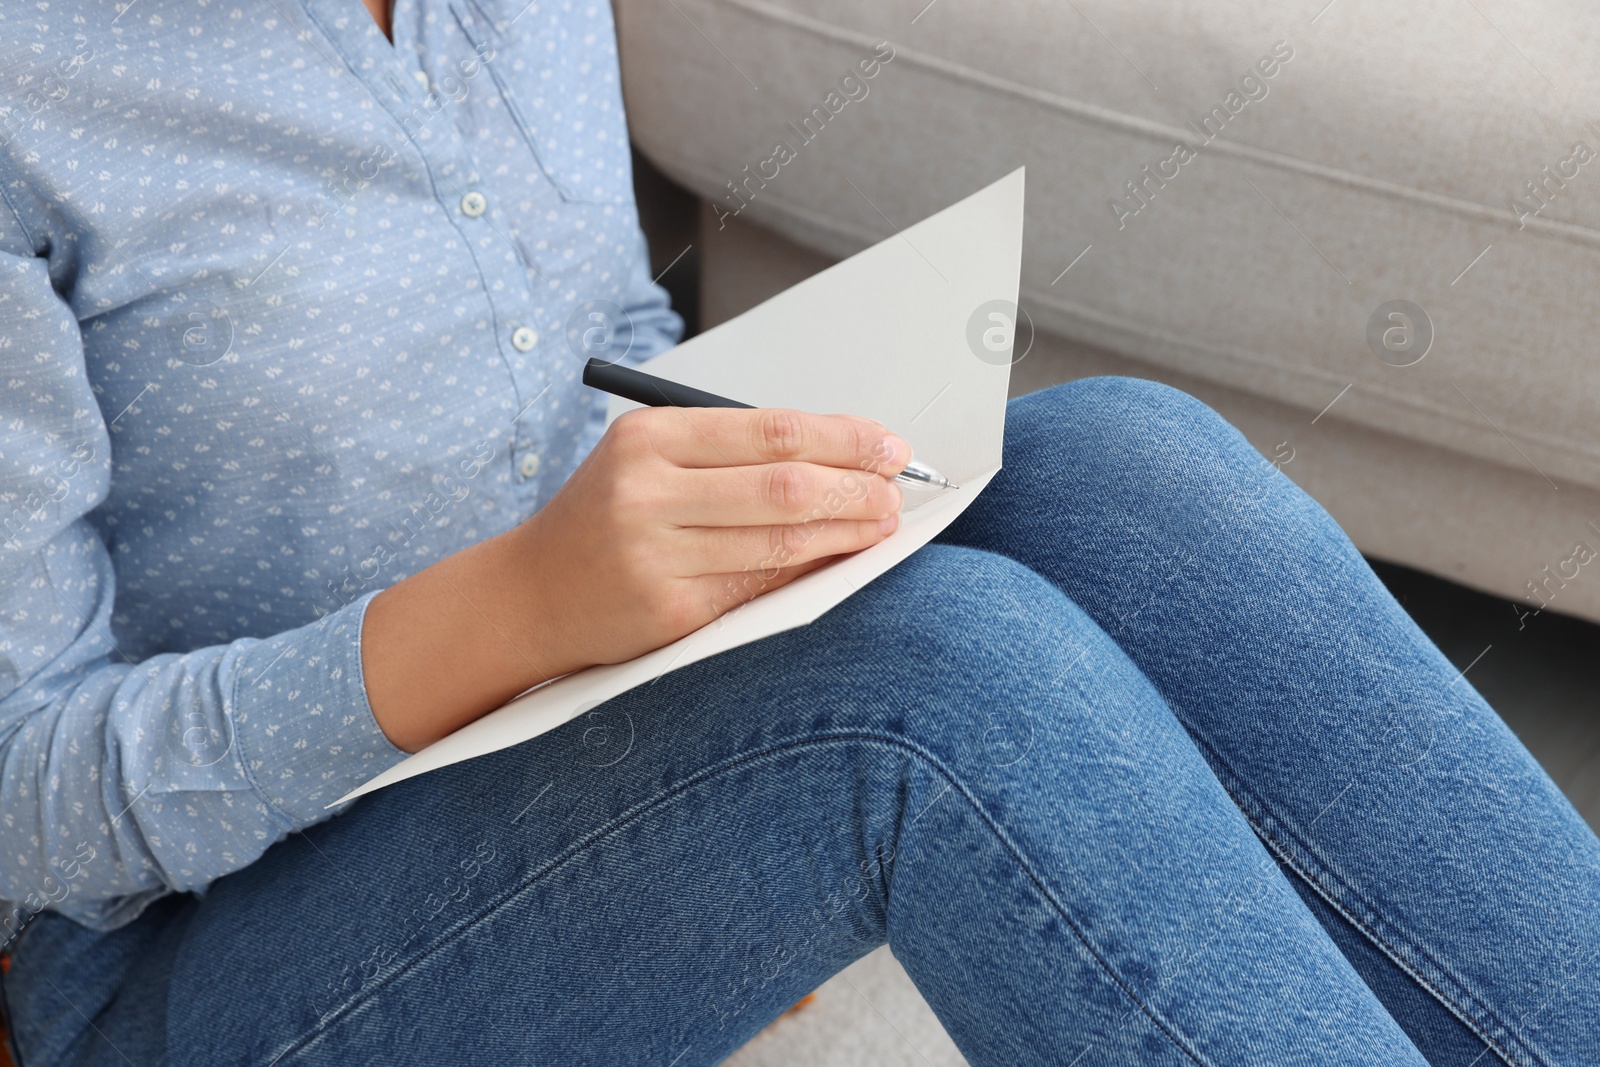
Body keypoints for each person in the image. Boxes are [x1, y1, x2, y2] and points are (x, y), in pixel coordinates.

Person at [0, 2, 1595, 1065]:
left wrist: (729, 598)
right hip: (195, 958)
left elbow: (594, 331)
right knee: (944, 691)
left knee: (1130, 466)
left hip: (562, 711)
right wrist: (523, 610)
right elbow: (26, 798)